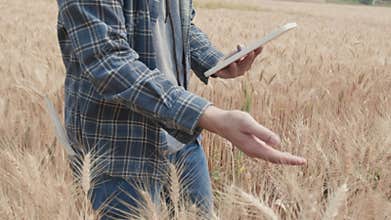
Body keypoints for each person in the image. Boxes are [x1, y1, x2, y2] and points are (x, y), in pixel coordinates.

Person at [56, 0, 306, 219]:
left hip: (181, 138)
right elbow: (108, 62)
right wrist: (209, 116)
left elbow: (181, 22)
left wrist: (215, 61)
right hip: (121, 149)